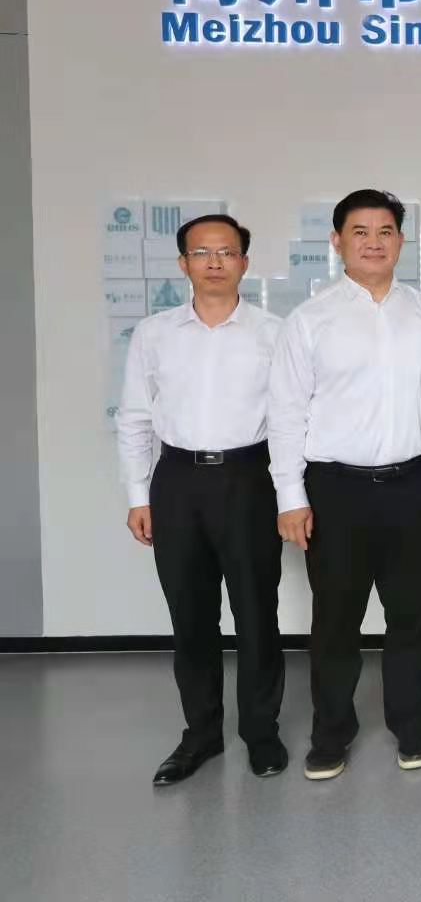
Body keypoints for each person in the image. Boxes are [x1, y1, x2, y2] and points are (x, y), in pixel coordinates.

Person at [268, 189, 421, 781]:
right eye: (360, 232)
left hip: (412, 485)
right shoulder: (310, 320)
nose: (374, 243)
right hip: (335, 491)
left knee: (411, 615)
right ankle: (331, 734)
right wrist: (291, 498)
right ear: (337, 241)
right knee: (336, 620)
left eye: (386, 231)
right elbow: (286, 414)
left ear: (401, 241)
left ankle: (413, 726)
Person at [117, 214, 287, 784]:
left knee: (256, 613)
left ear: (245, 261)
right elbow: (135, 417)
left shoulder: (275, 333)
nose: (214, 262)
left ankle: (261, 732)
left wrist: (292, 493)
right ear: (183, 263)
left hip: (249, 478)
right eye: (201, 253)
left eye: (226, 252)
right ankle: (201, 734)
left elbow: (291, 419)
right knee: (190, 616)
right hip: (177, 481)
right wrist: (138, 494)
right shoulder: (154, 333)